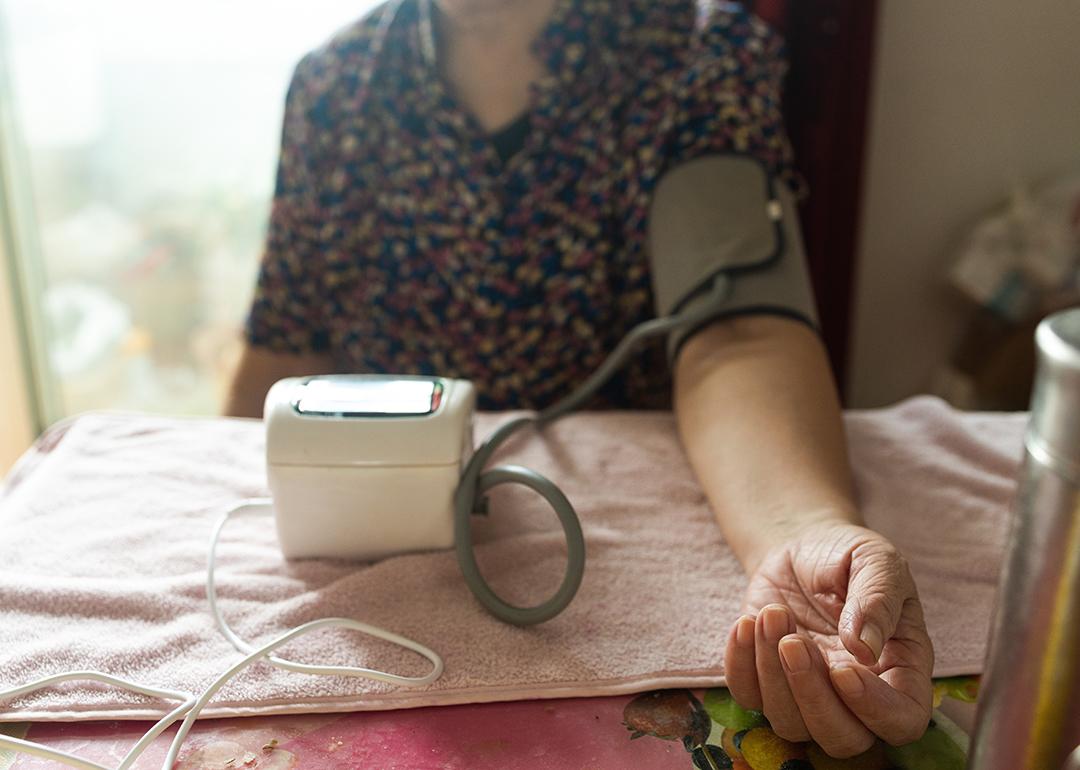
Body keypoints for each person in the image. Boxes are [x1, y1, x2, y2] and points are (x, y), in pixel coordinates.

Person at [225, 0, 934, 758]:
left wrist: (799, 533)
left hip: (609, 583)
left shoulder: (695, 54)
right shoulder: (336, 86)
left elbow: (735, 332)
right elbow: (280, 356)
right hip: (370, 586)